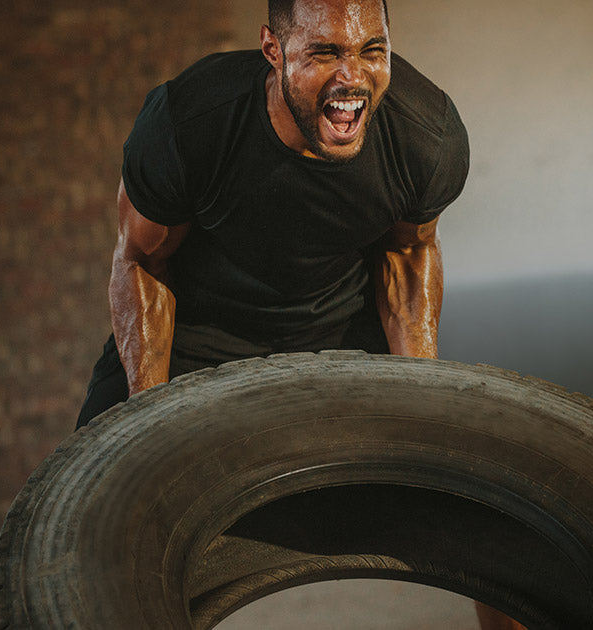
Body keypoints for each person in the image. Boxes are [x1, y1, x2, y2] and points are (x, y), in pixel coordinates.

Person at [76, 0, 521, 627]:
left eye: (372, 50)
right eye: (324, 52)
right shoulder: (191, 122)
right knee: (86, 517)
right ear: (272, 50)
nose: (353, 78)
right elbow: (142, 261)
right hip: (196, 335)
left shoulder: (426, 134)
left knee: (490, 507)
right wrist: (155, 423)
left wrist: (421, 403)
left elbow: (408, 252)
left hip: (341, 333)